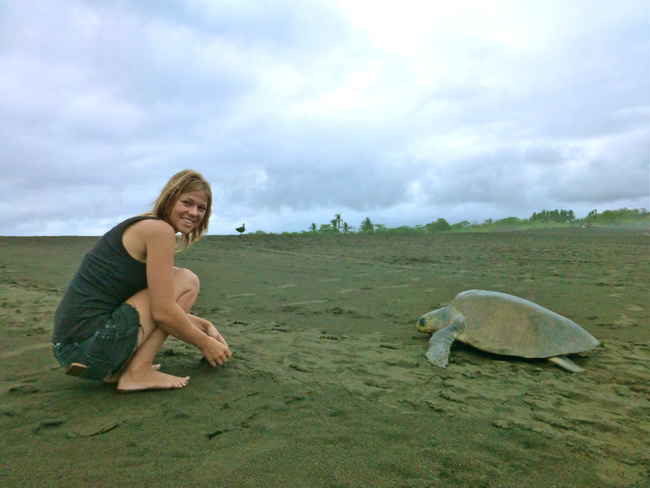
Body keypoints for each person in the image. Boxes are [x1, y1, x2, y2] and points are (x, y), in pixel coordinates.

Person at [52, 170, 231, 393]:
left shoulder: (147, 225)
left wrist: (204, 326)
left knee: (175, 278)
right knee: (187, 280)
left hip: (72, 350)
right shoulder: (159, 230)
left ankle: (124, 369)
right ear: (170, 198)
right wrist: (205, 343)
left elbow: (155, 304)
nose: (193, 212)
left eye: (201, 208)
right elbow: (163, 312)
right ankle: (138, 370)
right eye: (187, 202)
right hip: (87, 347)